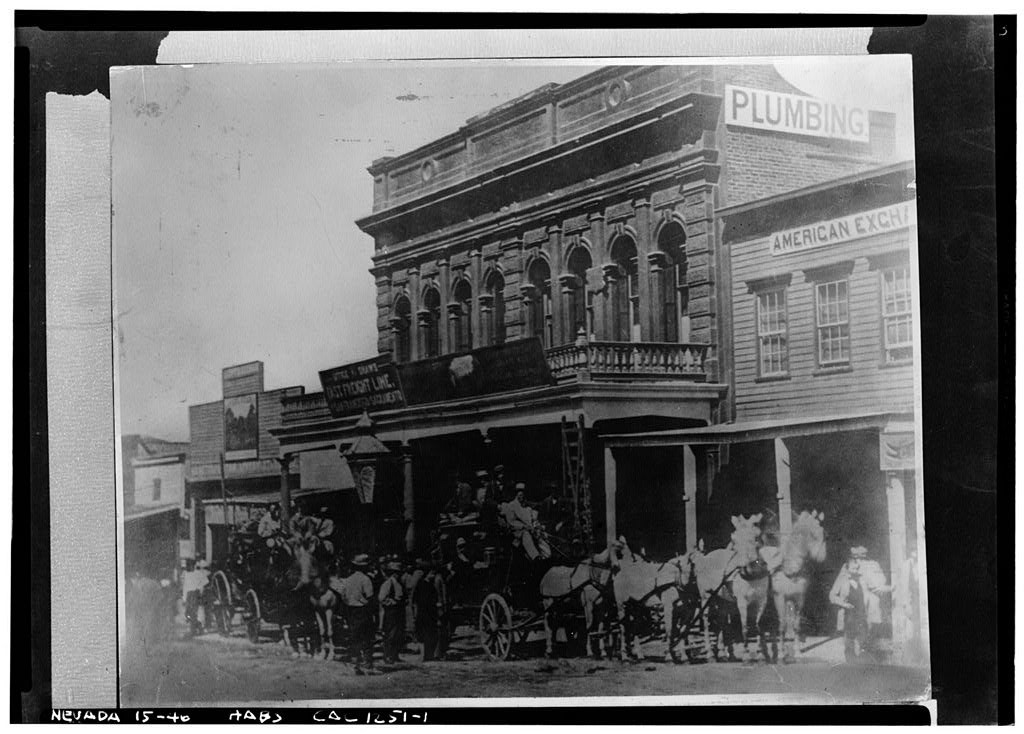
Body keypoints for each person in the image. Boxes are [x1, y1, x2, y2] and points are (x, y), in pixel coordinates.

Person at [829, 545, 891, 662]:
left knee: (863, 645)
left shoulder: (862, 580)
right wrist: (843, 604)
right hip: (848, 618)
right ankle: (851, 667)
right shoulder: (842, 580)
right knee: (849, 647)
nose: (858, 571)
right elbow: (832, 596)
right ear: (847, 569)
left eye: (858, 568)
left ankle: (860, 667)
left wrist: (891, 588)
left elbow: (875, 588)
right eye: (854, 569)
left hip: (861, 617)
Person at [339, 553, 376, 673]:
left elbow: (343, 597)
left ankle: (355, 663)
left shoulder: (348, 580)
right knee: (367, 637)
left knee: (354, 636)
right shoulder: (366, 579)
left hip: (350, 610)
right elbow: (370, 596)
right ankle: (367, 664)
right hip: (363, 610)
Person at [502, 483, 551, 560]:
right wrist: (524, 526)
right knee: (526, 534)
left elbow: (533, 519)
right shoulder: (511, 506)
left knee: (541, 533)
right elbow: (511, 522)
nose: (521, 496)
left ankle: (547, 556)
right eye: (519, 494)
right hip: (516, 532)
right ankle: (535, 557)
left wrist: (536, 526)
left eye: (522, 494)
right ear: (516, 494)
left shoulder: (528, 508)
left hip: (530, 529)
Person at [413, 561, 441, 662]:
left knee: (431, 634)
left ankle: (429, 655)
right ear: (427, 574)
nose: (433, 576)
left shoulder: (431, 585)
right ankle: (423, 655)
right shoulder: (421, 584)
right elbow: (417, 600)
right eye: (431, 573)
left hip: (431, 613)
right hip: (423, 613)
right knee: (422, 634)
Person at [378, 561, 405, 663]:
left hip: (398, 611)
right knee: (390, 634)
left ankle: (394, 655)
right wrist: (391, 602)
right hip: (391, 612)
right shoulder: (388, 583)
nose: (399, 574)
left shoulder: (398, 583)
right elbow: (381, 598)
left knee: (398, 634)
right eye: (397, 572)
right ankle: (388, 656)